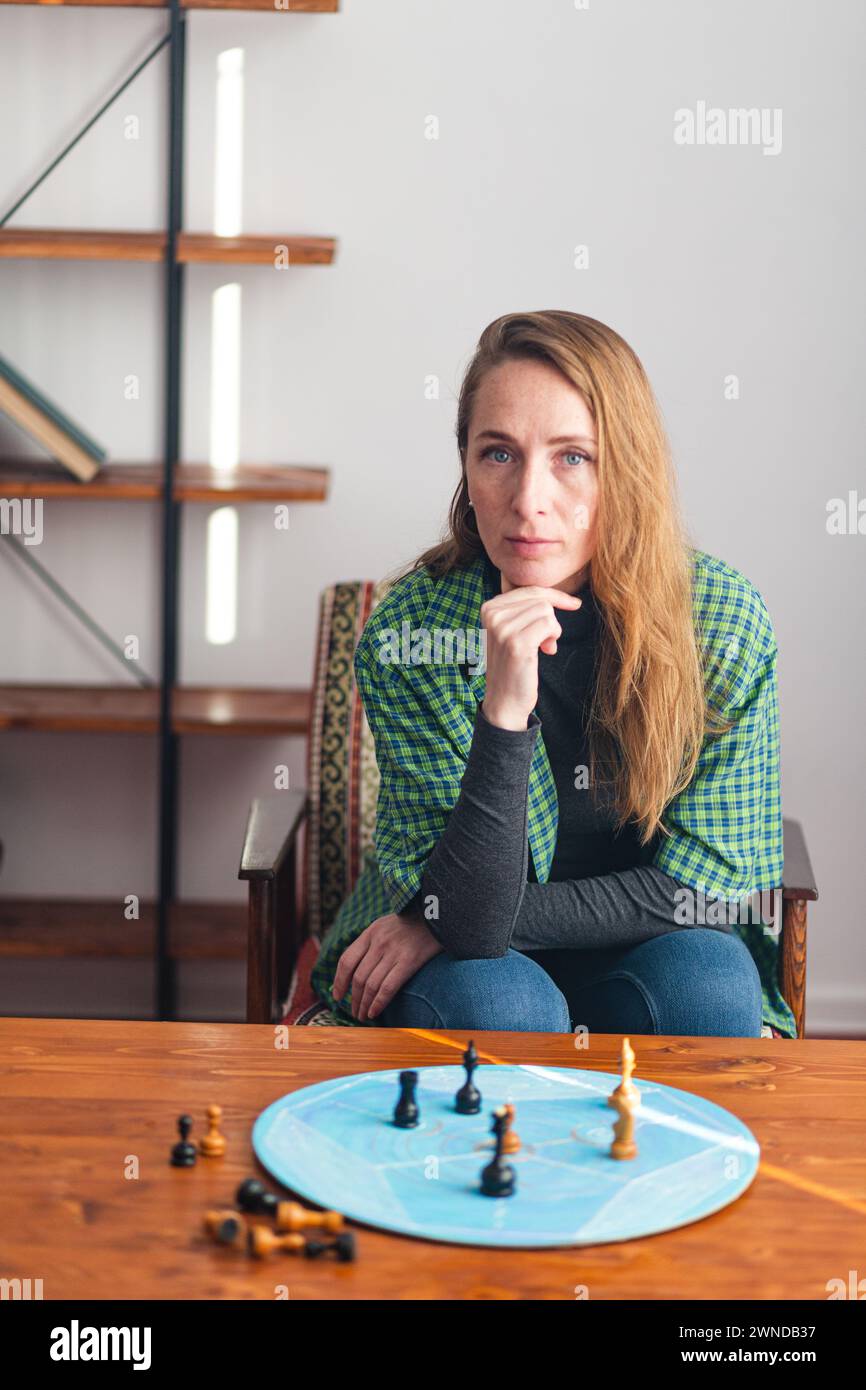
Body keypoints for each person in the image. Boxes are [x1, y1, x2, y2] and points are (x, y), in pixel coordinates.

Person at [310, 310, 792, 1038]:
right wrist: (504, 710)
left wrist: (438, 922)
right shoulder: (413, 633)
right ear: (466, 465)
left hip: (644, 947)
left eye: (573, 457)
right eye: (498, 454)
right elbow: (471, 927)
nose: (529, 500)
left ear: (624, 468)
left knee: (712, 988)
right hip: (478, 965)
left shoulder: (719, 624)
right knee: (503, 1006)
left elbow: (706, 892)